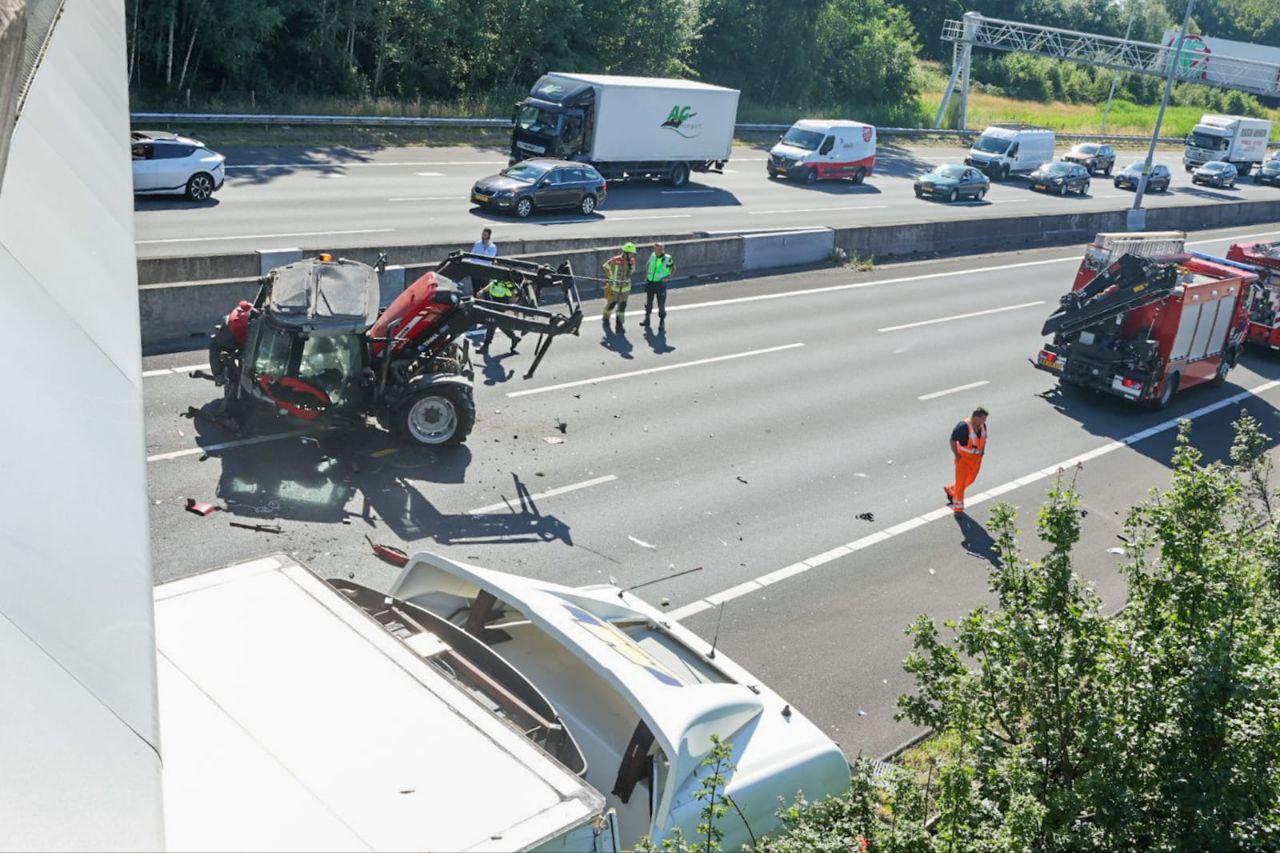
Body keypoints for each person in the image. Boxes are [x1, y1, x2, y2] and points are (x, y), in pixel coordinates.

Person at [945, 407, 988, 514]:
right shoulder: (963, 426)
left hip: (977, 459)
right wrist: (956, 455)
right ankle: (958, 509)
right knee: (961, 483)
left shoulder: (982, 426)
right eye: (983, 419)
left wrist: (982, 451)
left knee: (971, 479)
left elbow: (983, 439)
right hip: (963, 460)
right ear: (975, 417)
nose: (984, 422)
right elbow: (952, 440)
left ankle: (951, 489)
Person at [476, 276, 522, 355]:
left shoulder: (508, 284)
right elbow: (486, 289)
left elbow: (514, 298)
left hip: (501, 305)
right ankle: (514, 338)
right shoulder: (496, 281)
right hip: (493, 304)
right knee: (498, 323)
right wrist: (481, 292)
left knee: (492, 323)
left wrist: (515, 311)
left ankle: (485, 346)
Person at [601, 242, 637, 333]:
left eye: (633, 254)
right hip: (614, 289)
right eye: (631, 253)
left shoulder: (632, 261)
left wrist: (630, 265)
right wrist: (611, 277)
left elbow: (632, 272)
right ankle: (605, 319)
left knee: (622, 307)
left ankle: (619, 324)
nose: (632, 255)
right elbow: (605, 266)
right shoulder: (615, 260)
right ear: (626, 253)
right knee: (610, 305)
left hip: (625, 290)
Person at [641, 242, 675, 331]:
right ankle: (647, 319)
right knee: (648, 304)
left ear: (663, 249)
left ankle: (662, 322)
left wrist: (668, 277)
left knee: (661, 305)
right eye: (656, 249)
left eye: (660, 249)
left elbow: (673, 268)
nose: (657, 250)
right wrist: (646, 275)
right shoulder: (653, 255)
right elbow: (648, 264)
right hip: (650, 283)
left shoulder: (667, 258)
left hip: (660, 284)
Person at [469, 228, 498, 297]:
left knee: (486, 291)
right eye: (482, 234)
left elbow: (489, 259)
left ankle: (489, 305)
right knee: (475, 290)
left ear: (488, 236)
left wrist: (485, 247)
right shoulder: (477, 244)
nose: (483, 236)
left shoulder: (492, 247)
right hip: (475, 270)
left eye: (485, 234)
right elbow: (472, 255)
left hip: (485, 271)